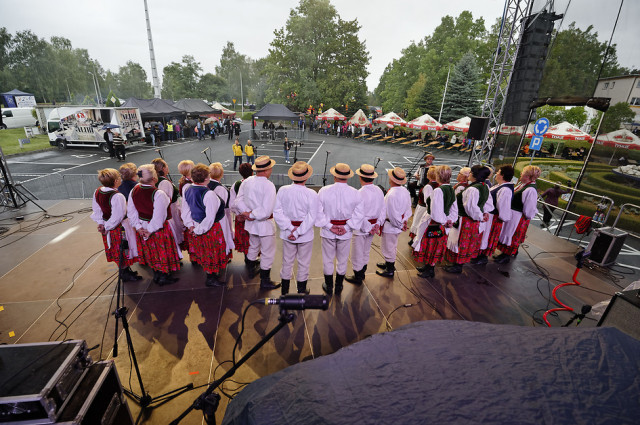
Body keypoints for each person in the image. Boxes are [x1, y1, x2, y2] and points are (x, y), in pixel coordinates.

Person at [128, 164, 181, 285]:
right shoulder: (158, 194)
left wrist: (138, 227)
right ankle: (163, 276)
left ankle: (156, 273)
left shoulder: (135, 189)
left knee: (150, 251)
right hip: (157, 229)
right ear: (154, 178)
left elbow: (131, 211)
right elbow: (159, 217)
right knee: (162, 251)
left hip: (143, 226)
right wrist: (150, 230)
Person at [233, 155, 280, 290]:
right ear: (267, 170)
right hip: (264, 224)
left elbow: (238, 201)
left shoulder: (247, 181)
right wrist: (252, 215)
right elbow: (266, 211)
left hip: (250, 224)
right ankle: (265, 281)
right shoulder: (269, 185)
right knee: (267, 253)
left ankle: (251, 270)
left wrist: (246, 213)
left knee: (253, 246)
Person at [316, 163, 364, 295]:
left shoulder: (323, 191)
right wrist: (347, 227)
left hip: (328, 231)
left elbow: (318, 212)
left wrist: (330, 226)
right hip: (345, 232)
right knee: (343, 259)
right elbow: (359, 214)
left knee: (327, 259)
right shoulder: (355, 193)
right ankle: (339, 286)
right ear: (348, 177)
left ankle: (329, 285)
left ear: (334, 176)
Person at [273, 161, 319, 295]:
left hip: (288, 233)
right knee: (304, 263)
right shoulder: (312, 194)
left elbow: (277, 212)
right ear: (307, 177)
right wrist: (298, 231)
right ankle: (301, 291)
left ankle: (284, 292)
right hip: (305, 234)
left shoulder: (283, 190)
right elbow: (312, 217)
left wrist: (290, 228)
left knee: (287, 261)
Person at [181, 164, 228, 287]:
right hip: (209, 229)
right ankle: (211, 278)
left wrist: (190, 226)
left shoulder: (188, 189)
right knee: (211, 252)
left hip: (196, 225)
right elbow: (209, 218)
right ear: (207, 178)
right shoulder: (209, 194)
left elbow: (185, 211)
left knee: (205, 252)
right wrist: (198, 230)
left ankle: (211, 275)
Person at [91, 168, 141, 281]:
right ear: (115, 181)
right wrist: (107, 227)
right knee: (122, 249)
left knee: (117, 249)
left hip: (107, 225)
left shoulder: (98, 191)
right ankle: (125, 273)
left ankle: (125, 270)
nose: (120, 179)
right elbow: (118, 216)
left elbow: (97, 209)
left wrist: (101, 223)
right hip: (118, 228)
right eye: (118, 177)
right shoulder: (117, 196)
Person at [444, 165, 492, 274]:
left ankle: (458, 265)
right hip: (472, 220)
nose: (469, 175)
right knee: (464, 241)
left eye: (470, 173)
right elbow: (487, 203)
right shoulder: (484, 186)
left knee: (461, 241)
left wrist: (480, 216)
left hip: (466, 220)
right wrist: (484, 213)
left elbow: (471, 208)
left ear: (475, 175)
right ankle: (457, 263)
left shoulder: (473, 189)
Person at [412, 165, 457, 278]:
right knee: (435, 246)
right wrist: (450, 220)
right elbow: (454, 208)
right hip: (443, 223)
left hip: (434, 223)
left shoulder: (438, 190)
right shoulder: (451, 189)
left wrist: (443, 221)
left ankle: (430, 270)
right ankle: (428, 266)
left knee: (430, 245)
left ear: (438, 176)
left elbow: (436, 211)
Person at [345, 164, 385, 286]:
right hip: (374, 225)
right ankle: (362, 272)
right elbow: (383, 209)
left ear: (360, 177)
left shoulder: (359, 193)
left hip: (361, 227)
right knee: (366, 250)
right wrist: (377, 224)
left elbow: (358, 214)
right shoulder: (379, 190)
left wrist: (368, 227)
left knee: (357, 252)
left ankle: (358, 275)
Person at [495, 165, 542, 264]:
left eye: (523, 173)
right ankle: (505, 253)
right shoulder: (524, 185)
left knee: (512, 235)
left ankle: (506, 255)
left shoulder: (530, 190)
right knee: (509, 234)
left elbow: (529, 209)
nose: (520, 174)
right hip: (514, 215)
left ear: (528, 176)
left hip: (517, 217)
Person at [471, 165, 514, 265]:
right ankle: (480, 255)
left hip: (493, 217)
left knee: (488, 236)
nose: (496, 174)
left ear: (502, 175)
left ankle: (483, 256)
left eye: (498, 172)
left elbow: (503, 207)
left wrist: (498, 217)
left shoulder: (505, 189)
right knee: (485, 236)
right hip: (490, 215)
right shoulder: (500, 186)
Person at [376, 167, 412, 278]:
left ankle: (390, 269)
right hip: (399, 223)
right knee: (392, 245)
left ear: (392, 179)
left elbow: (392, 215)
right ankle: (388, 263)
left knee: (388, 247)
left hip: (391, 225)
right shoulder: (405, 191)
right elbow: (408, 209)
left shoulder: (391, 194)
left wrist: (399, 225)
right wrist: (404, 221)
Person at [151, 158, 184, 250]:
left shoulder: (157, 180)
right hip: (171, 211)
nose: (168, 167)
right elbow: (166, 200)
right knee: (175, 231)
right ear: (163, 168)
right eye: (166, 165)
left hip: (170, 209)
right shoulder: (164, 182)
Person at [207, 162, 235, 261]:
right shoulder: (220, 188)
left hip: (210, 216)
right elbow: (221, 206)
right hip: (221, 217)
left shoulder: (206, 184)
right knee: (223, 235)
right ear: (221, 174)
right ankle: (222, 256)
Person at [230, 163, 253, 264]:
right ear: (252, 172)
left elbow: (232, 204)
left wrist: (239, 214)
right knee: (253, 238)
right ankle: (252, 259)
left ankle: (247, 258)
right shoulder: (255, 184)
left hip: (240, 217)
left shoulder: (236, 184)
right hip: (253, 217)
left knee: (244, 238)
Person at [409, 166, 437, 246]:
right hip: (426, 208)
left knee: (418, 223)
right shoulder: (437, 184)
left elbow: (427, 201)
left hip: (423, 208)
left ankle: (415, 241)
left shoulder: (428, 186)